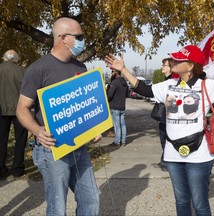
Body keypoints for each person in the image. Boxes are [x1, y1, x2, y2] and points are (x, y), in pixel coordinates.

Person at [105, 34, 214, 216]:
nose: (173, 60)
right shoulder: (169, 84)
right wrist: (124, 69)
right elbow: (143, 89)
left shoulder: (207, 86)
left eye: (178, 59)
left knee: (199, 204)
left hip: (199, 156)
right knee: (182, 201)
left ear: (190, 66)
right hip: (173, 155)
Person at [16, 17, 101, 215]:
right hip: (52, 150)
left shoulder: (81, 68)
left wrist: (93, 129)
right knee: (58, 207)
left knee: (91, 200)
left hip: (80, 148)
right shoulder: (38, 68)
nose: (83, 40)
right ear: (63, 38)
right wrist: (37, 130)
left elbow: (83, 106)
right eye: (79, 36)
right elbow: (22, 108)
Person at [0, 50, 28, 178]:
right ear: (16, 59)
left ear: (4, 58)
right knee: (20, 139)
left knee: (1, 140)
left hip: (1, 109)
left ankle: (1, 170)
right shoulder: (22, 71)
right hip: (20, 109)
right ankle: (18, 168)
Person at [154, 58, 174, 171]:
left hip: (169, 117)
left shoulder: (173, 82)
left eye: (165, 65)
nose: (162, 67)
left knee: (167, 140)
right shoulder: (165, 80)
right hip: (163, 117)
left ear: (171, 68)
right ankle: (165, 160)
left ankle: (167, 162)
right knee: (163, 139)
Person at [107, 69, 129, 147]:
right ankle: (123, 141)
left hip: (115, 106)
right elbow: (127, 94)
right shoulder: (125, 83)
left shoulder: (114, 83)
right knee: (122, 124)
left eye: (113, 71)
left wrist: (108, 88)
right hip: (122, 106)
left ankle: (117, 141)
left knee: (117, 125)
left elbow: (109, 95)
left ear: (116, 72)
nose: (111, 73)